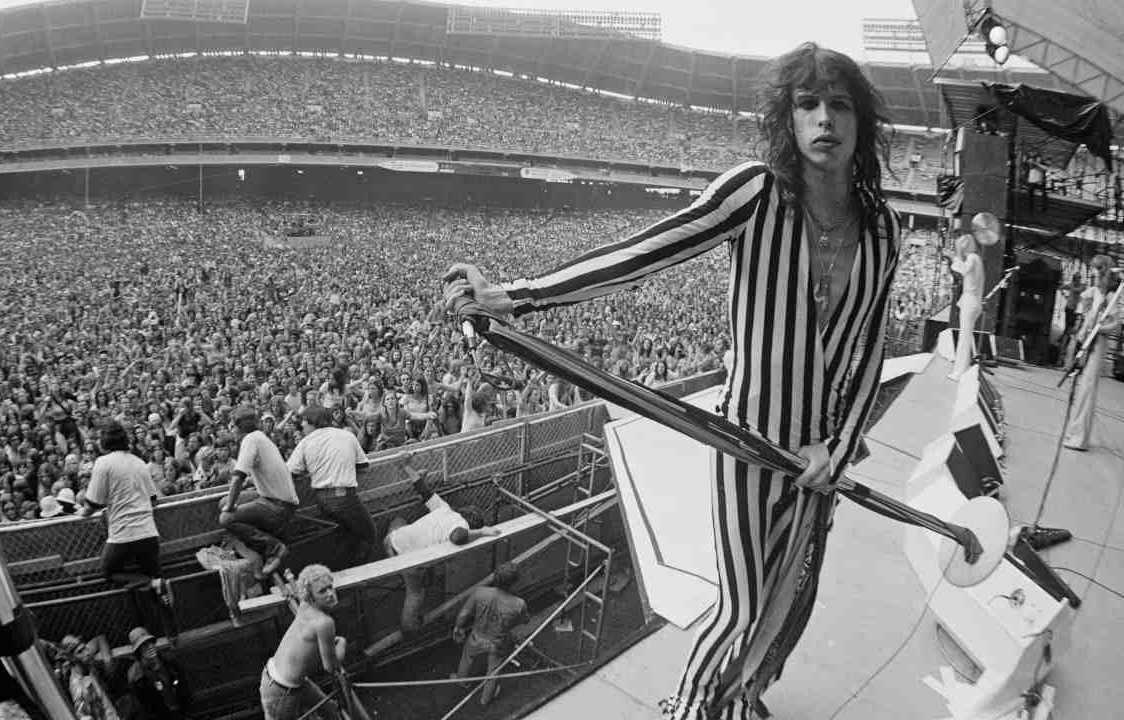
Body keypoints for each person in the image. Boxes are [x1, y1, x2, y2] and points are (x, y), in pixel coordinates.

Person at [443, 42, 901, 720]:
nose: (824, 119)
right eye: (808, 104)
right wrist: (519, 295)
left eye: (839, 104)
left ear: (861, 121)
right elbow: (647, 251)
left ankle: (741, 699)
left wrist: (837, 446)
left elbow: (869, 349)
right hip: (748, 439)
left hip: (818, 459)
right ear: (788, 117)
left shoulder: (885, 231)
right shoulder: (755, 192)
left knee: (787, 597)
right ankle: (690, 708)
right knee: (744, 604)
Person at [382, 466, 500, 635]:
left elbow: (423, 490)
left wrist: (407, 466)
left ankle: (416, 564)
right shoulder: (462, 526)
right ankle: (409, 629)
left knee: (398, 520)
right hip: (404, 560)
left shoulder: (444, 507)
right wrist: (482, 532)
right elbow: (458, 537)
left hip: (390, 541)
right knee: (416, 593)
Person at [81, 420, 173, 608]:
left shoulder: (103, 462)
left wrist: (81, 513)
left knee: (108, 570)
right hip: (148, 532)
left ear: (104, 441)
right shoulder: (139, 462)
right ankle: (172, 633)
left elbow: (92, 504)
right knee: (159, 583)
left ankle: (150, 584)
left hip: (123, 535)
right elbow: (153, 500)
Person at [286, 406, 378, 569]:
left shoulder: (305, 442)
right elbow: (363, 466)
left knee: (344, 539)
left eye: (304, 423)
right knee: (368, 535)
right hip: (345, 497)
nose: (302, 427)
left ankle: (347, 574)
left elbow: (289, 473)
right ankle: (354, 574)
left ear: (312, 421)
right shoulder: (346, 435)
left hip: (323, 499)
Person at [259, 564, 346, 720]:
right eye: (322, 591)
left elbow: (303, 599)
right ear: (311, 597)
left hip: (275, 679)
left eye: (330, 587)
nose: (330, 594)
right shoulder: (325, 623)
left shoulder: (305, 606)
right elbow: (331, 667)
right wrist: (342, 644)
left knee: (331, 711)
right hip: (282, 690)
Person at [219, 406, 298, 576]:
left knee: (226, 518)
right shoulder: (259, 437)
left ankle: (275, 549)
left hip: (279, 507)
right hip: (274, 500)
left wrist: (231, 506)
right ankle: (260, 550)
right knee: (224, 502)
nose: (230, 430)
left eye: (232, 426)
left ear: (240, 427)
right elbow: (253, 472)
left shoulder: (250, 440)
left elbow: (238, 476)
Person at [1063, 256, 1122, 451]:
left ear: (1102, 271)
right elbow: (1084, 307)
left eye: (1095, 269)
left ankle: (1080, 438)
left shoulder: (1110, 296)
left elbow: (1116, 325)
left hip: (1098, 343)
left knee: (1088, 388)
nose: (1092, 272)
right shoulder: (1094, 291)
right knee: (1081, 389)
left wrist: (1099, 328)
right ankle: (1075, 432)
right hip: (1086, 342)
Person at [450, 562, 529, 705]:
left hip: (476, 636)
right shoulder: (519, 604)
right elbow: (525, 621)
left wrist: (458, 627)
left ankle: (462, 681)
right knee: (493, 673)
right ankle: (485, 699)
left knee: (467, 657)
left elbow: (463, 615)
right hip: (497, 643)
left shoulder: (480, 592)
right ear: (514, 582)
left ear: (495, 577)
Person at [125, 627, 191, 720]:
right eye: (144, 645)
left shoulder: (169, 662)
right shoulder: (137, 675)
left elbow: (183, 686)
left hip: (179, 709)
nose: (150, 646)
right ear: (138, 650)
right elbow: (143, 706)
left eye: (150, 642)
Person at [948, 232, 985, 381]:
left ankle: (959, 372)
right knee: (967, 336)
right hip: (973, 301)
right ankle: (963, 368)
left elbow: (962, 270)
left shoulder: (972, 258)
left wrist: (955, 256)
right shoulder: (977, 259)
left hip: (970, 301)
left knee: (964, 338)